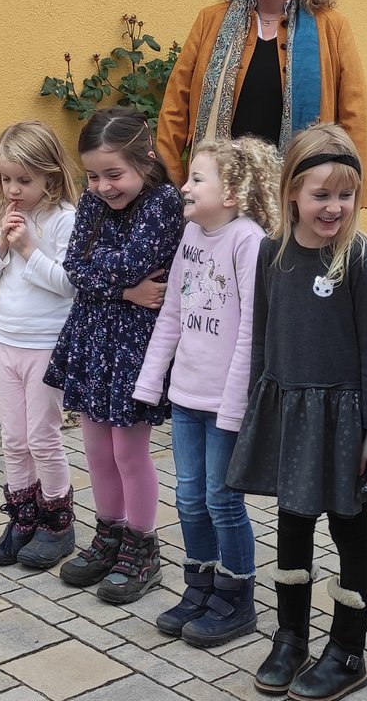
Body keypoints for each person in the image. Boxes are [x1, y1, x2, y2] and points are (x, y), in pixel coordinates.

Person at [227, 124, 367, 700]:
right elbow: (261, 335)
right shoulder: (271, 252)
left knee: (350, 527)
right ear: (291, 191)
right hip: (289, 409)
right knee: (292, 525)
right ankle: (290, 636)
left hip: (345, 416)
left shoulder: (362, 260)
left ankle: (348, 648)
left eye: (345, 195)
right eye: (321, 194)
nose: (334, 207)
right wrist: (256, 406)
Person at [131, 136, 280, 647]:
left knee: (222, 500)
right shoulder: (192, 237)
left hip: (225, 404)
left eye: (197, 179)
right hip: (187, 397)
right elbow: (171, 311)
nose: (184, 187)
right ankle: (200, 585)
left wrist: (235, 405)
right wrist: (152, 381)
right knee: (190, 497)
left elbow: (250, 333)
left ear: (234, 192)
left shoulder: (248, 241)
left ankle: (237, 597)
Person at [45, 109, 187, 604]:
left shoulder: (165, 202)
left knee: (129, 452)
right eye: (93, 175)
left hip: (134, 347)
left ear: (146, 161)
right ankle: (109, 533)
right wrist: (125, 291)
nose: (103, 186)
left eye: (114, 174)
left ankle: (143, 546)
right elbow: (73, 266)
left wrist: (106, 274)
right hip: (93, 336)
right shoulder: (91, 201)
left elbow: (130, 261)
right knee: (96, 449)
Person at [157, 0, 367, 184]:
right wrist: (169, 182)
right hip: (219, 188)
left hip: (294, 190)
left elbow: (353, 114)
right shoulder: (211, 20)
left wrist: (350, 186)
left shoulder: (331, 27)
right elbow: (175, 107)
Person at [0, 122, 79, 570]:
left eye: (24, 180)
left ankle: (58, 522)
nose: (13, 189)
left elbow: (69, 285)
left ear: (50, 177)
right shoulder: (0, 213)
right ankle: (22, 516)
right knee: (14, 437)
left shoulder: (64, 219)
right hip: (7, 339)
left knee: (42, 435)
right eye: (5, 178)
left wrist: (29, 249)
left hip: (46, 345)